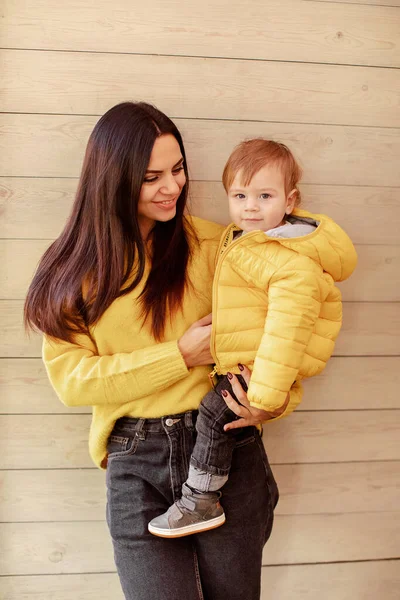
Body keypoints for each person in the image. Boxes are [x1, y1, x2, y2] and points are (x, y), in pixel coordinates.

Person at [24, 102, 303, 600]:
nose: (172, 187)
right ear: (111, 179)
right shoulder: (74, 270)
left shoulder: (220, 246)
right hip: (135, 462)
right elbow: (73, 381)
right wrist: (179, 354)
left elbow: (291, 317)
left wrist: (277, 400)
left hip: (225, 446)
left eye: (178, 169)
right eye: (152, 176)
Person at [149, 138, 358, 538]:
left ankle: (200, 500)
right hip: (248, 362)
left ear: (289, 200)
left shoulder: (287, 258)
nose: (250, 206)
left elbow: (288, 329)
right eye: (239, 195)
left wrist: (265, 396)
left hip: (260, 370)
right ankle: (203, 498)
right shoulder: (244, 239)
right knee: (214, 419)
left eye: (265, 195)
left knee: (214, 416)